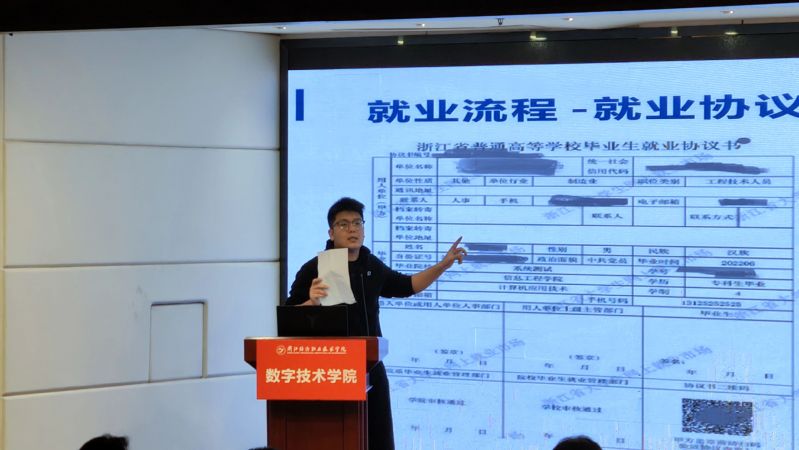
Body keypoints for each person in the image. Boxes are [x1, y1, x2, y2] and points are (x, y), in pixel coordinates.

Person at [286, 197, 466, 450]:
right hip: (331, 370)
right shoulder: (314, 269)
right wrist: (312, 302)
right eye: (343, 224)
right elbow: (288, 319)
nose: (352, 229)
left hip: (371, 367)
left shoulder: (371, 265)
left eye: (357, 223)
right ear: (331, 232)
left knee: (378, 439)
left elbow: (407, 286)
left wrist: (443, 265)